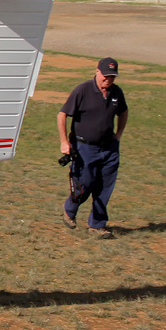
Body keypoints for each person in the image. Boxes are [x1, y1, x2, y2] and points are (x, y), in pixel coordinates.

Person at [57, 57, 128, 239]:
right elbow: (62, 114)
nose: (108, 80)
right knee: (85, 183)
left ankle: (97, 225)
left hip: (109, 148)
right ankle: (70, 209)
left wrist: (118, 134)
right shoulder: (83, 90)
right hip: (84, 147)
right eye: (105, 76)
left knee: (105, 186)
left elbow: (123, 111)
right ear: (97, 71)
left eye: (112, 77)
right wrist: (64, 142)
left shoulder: (116, 93)